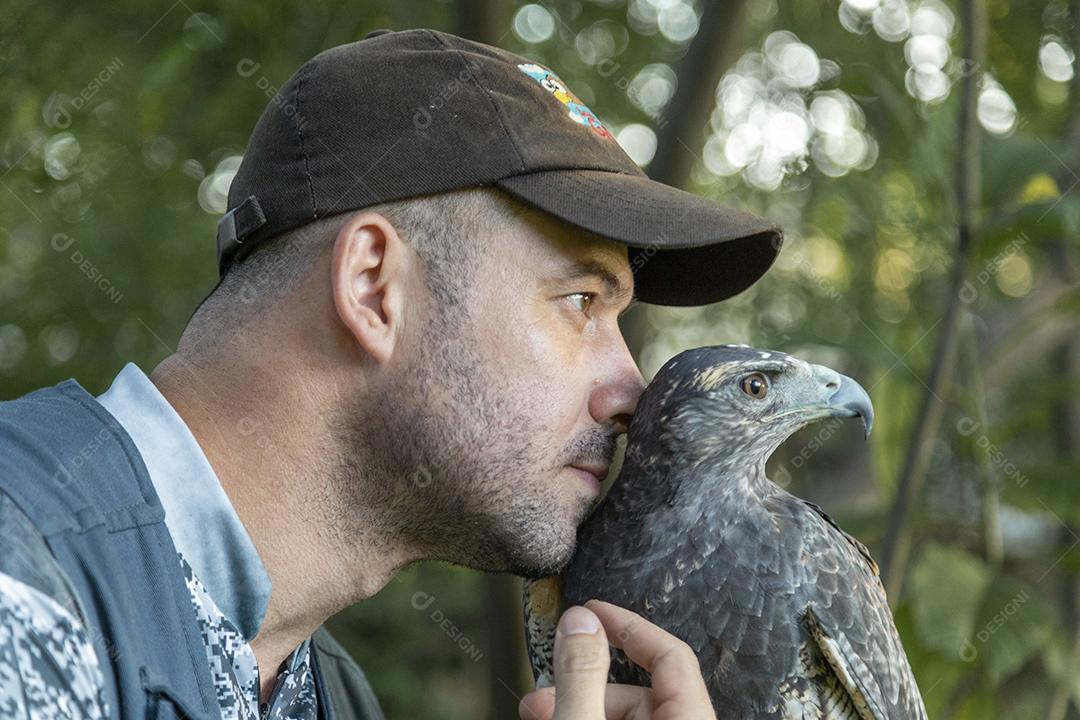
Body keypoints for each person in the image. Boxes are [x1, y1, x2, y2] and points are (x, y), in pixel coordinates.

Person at [0, 27, 781, 720]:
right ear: (374, 286)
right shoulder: (25, 581)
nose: (632, 396)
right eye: (579, 300)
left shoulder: (328, 693)